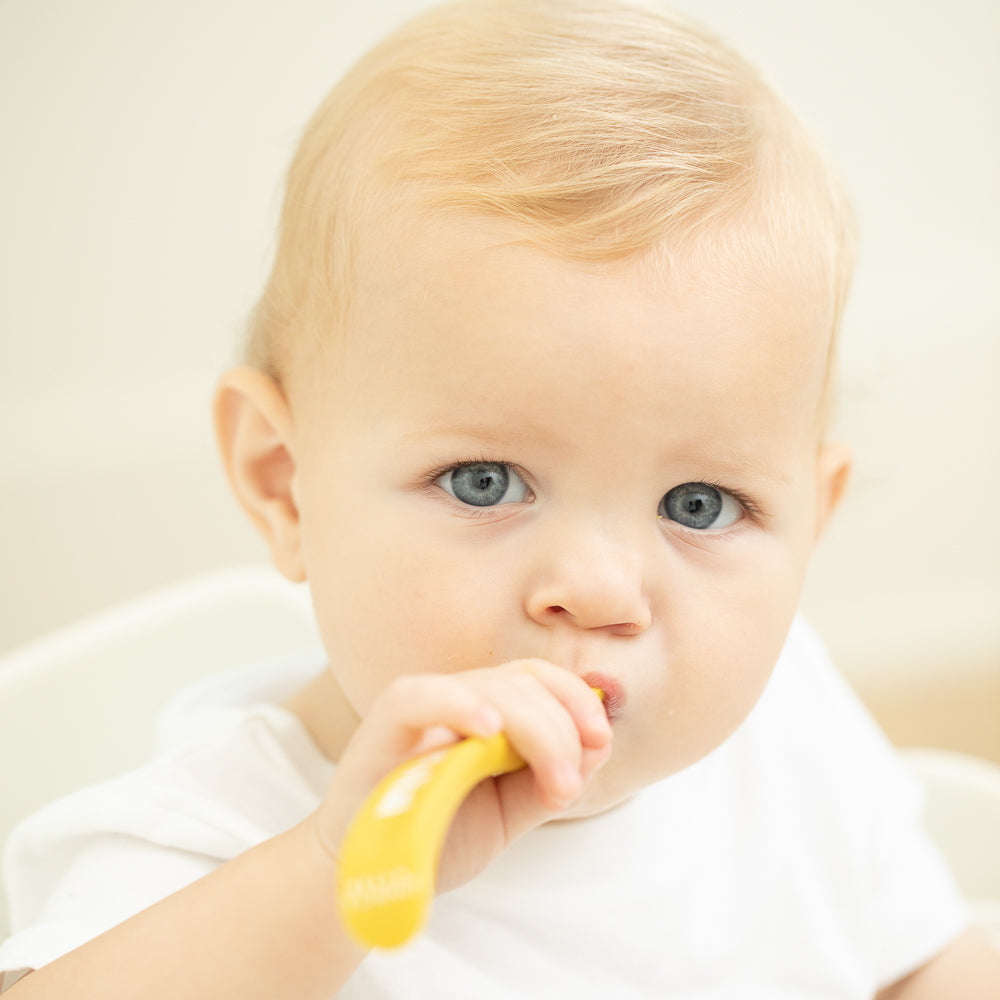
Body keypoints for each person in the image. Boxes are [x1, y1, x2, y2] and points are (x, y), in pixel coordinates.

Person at [2, 0, 998, 995]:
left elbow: (919, 967)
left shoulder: (787, 724)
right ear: (284, 482)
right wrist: (328, 876)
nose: (604, 590)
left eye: (698, 504)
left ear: (809, 525)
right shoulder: (217, 848)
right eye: (485, 484)